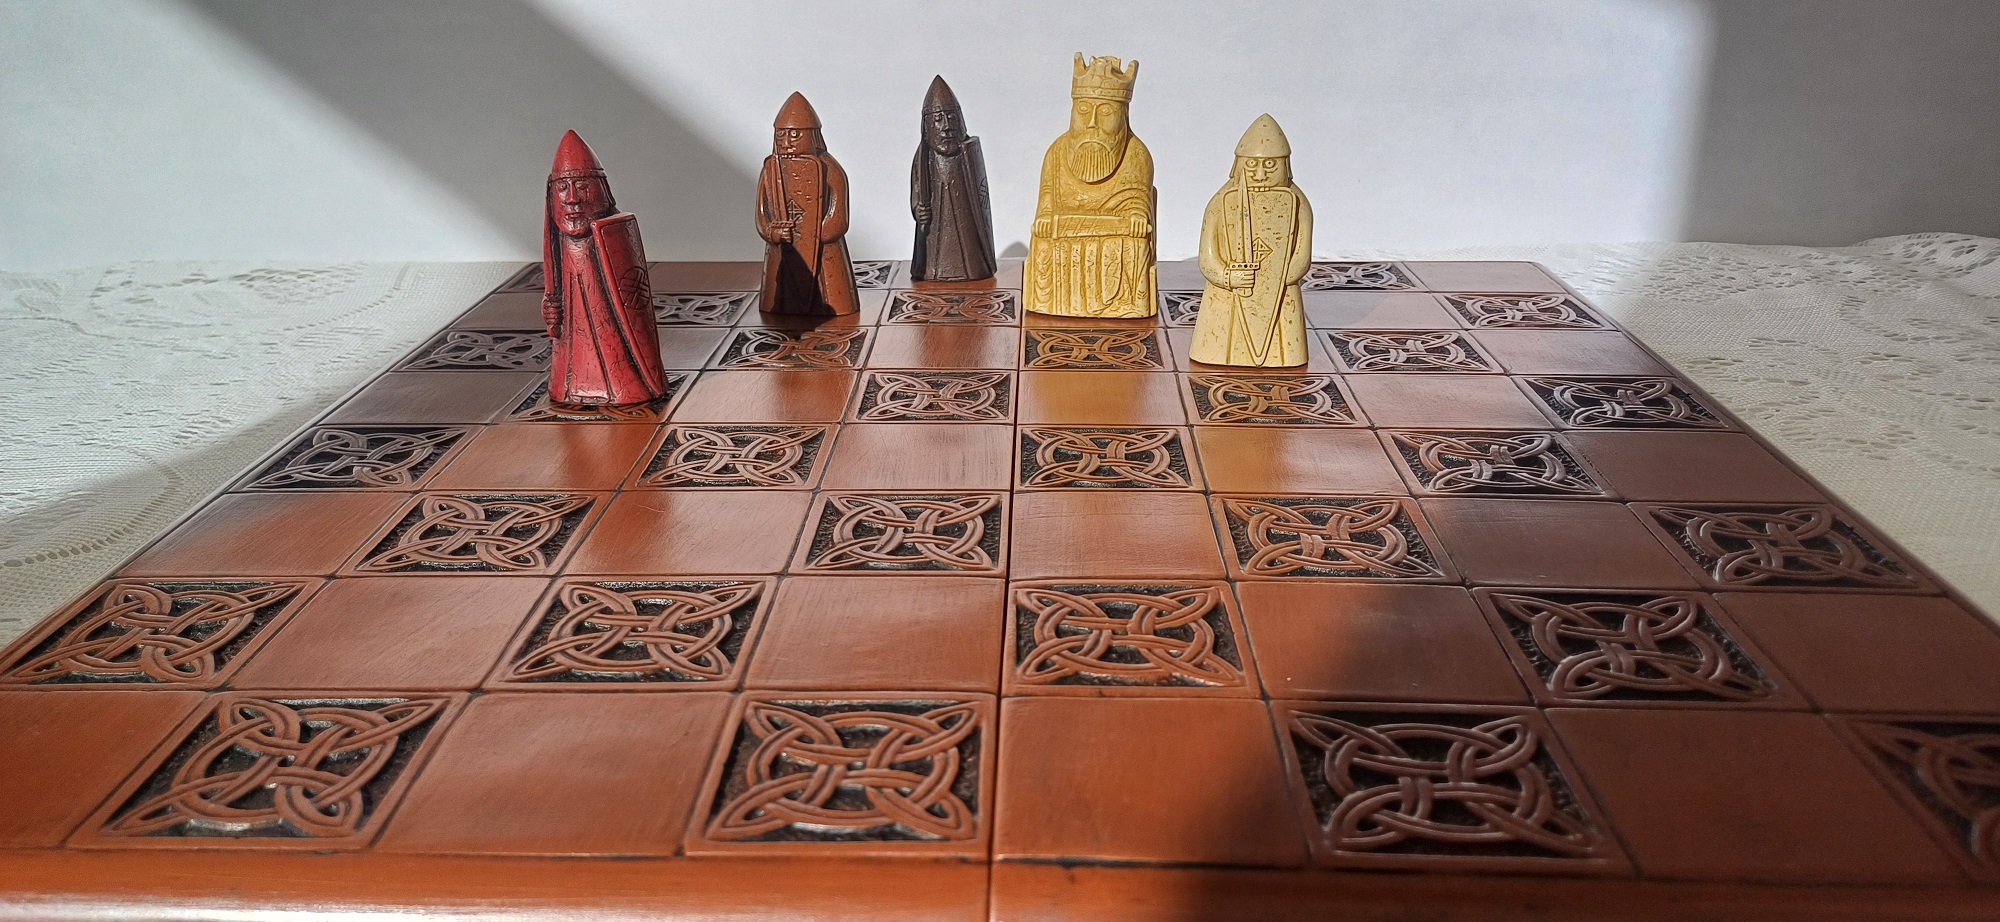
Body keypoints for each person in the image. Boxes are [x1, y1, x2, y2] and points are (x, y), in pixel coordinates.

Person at [541, 130, 669, 406]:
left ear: (601, 191)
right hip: (571, 356)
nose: (572, 198)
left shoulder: (614, 233)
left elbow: (633, 299)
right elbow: (553, 293)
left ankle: (627, 386)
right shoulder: (558, 242)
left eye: (582, 186)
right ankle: (576, 386)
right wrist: (550, 309)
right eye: (562, 188)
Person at [1024, 53, 1157, 318]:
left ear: (1123, 114)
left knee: (1134, 245)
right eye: (1083, 110)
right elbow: (1047, 198)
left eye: (1106, 112)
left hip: (1116, 235)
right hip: (1065, 231)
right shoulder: (1056, 151)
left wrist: (1136, 216)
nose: (1092, 122)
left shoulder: (1136, 153)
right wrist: (1045, 217)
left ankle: (1123, 306)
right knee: (1043, 244)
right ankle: (1054, 304)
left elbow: (1139, 199)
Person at [1189, 115, 1314, 367]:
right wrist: (1227, 277)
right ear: (1238, 164)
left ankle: (1282, 356)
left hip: (1279, 296)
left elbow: (1301, 257)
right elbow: (1208, 257)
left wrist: (1275, 279)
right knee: (1220, 336)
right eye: (1252, 164)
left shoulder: (1298, 204)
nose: (1259, 174)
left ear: (1285, 164)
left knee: (1283, 340)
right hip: (1226, 297)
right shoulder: (1220, 203)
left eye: (1270, 165)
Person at [756, 92, 859, 315]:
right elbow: (762, 214)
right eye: (781, 135)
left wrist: (815, 233)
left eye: (794, 135)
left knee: (830, 285)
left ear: (812, 135)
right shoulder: (770, 169)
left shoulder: (831, 169)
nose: (786, 143)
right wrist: (773, 232)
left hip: (824, 249)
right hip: (782, 247)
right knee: (779, 292)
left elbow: (838, 217)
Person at [910, 75, 997, 283]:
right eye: (938, 119)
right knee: (936, 258)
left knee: (969, 255)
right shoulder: (922, 157)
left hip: (967, 229)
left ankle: (972, 268)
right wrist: (918, 210)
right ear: (927, 125)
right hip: (934, 238)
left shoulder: (969, 153)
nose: (946, 126)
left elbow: (981, 198)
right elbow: (916, 192)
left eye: (951, 118)